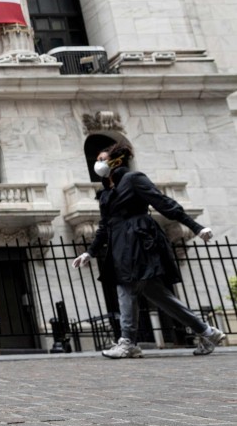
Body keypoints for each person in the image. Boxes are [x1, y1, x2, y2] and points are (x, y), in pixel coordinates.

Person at [73, 143, 224, 358]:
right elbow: (105, 226)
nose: (98, 163)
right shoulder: (106, 194)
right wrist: (90, 252)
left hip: (139, 240)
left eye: (102, 159)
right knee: (159, 295)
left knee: (126, 285)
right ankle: (207, 332)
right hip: (119, 244)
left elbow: (163, 202)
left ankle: (127, 342)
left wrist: (196, 227)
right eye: (96, 159)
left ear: (116, 161)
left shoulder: (133, 179)